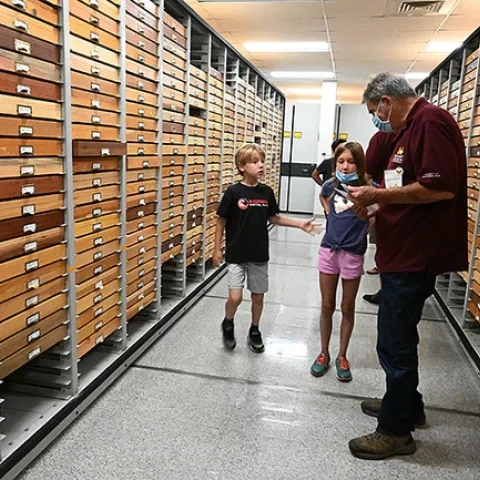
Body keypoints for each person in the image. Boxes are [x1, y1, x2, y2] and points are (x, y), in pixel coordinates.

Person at [347, 72, 467, 460]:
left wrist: (378, 194)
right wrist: (379, 204)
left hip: (416, 254)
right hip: (403, 251)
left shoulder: (429, 122)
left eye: (374, 112)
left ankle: (396, 431)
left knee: (394, 340)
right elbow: (405, 187)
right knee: (398, 336)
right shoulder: (409, 129)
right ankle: (407, 406)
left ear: (387, 101)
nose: (377, 120)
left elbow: (440, 187)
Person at [214, 144, 320, 353]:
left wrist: (300, 224)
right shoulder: (233, 192)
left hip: (258, 254)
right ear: (242, 166)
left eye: (261, 161)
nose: (261, 165)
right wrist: (217, 249)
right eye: (255, 161)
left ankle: (255, 329)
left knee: (258, 296)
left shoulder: (266, 192)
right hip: (236, 253)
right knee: (235, 297)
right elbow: (220, 220)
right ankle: (228, 321)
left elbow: (274, 217)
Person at [310, 142, 373, 382]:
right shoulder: (330, 186)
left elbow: (378, 211)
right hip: (329, 250)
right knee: (327, 305)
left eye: (351, 161)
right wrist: (328, 214)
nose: (345, 166)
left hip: (353, 253)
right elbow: (323, 196)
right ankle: (323, 352)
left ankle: (342, 355)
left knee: (348, 307)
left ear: (359, 163)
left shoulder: (368, 189)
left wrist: (365, 224)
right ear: (335, 163)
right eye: (341, 161)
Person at [362, 131, 397, 305]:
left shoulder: (381, 137)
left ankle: (385, 293)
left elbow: (367, 173)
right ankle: (388, 292)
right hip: (397, 204)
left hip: (385, 203)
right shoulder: (406, 134)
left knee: (384, 249)